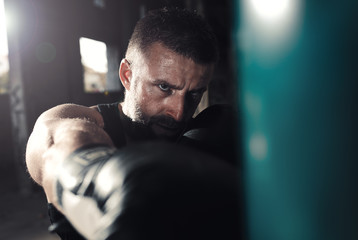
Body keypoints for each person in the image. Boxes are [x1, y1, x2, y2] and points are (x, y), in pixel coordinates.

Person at [26, 7, 239, 240]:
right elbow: (52, 142)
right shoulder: (88, 122)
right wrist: (95, 173)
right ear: (127, 75)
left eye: (195, 93)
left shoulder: (203, 137)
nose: (179, 113)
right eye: (164, 87)